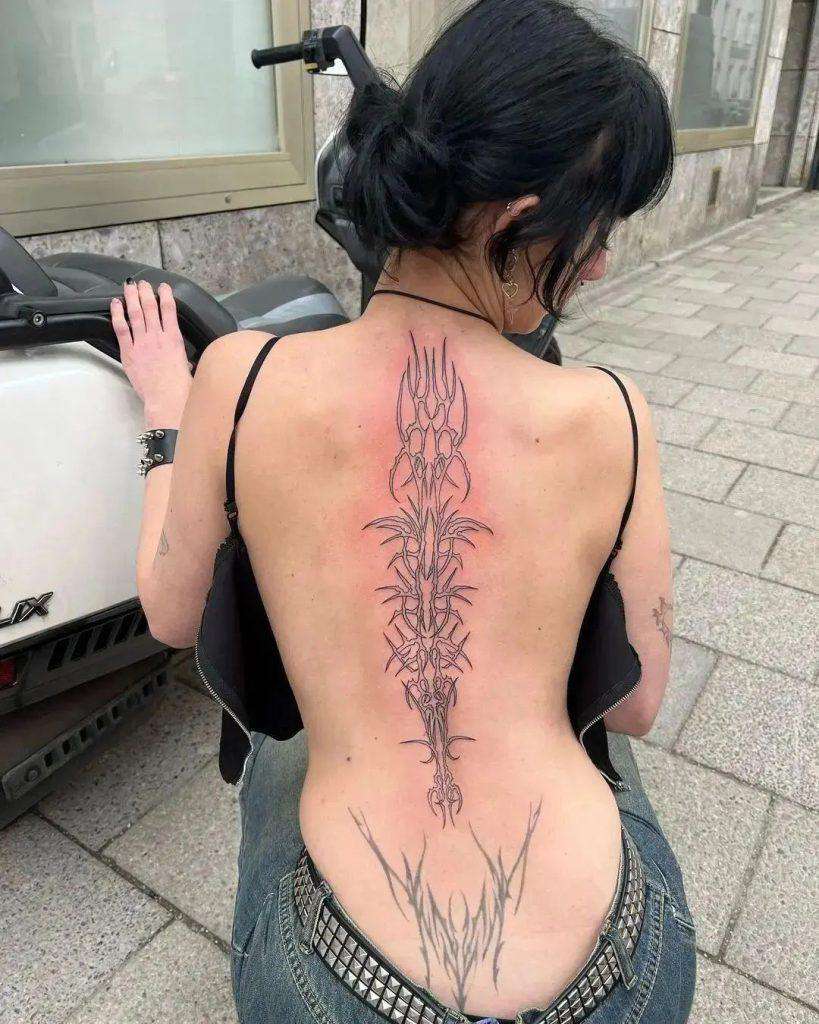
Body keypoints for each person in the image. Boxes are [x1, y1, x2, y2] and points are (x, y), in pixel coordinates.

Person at [111, 1, 696, 1021]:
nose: (600, 262)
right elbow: (634, 703)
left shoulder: (241, 379)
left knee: (284, 752)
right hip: (619, 979)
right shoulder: (614, 413)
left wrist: (169, 412)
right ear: (515, 222)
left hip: (342, 985)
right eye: (597, 228)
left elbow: (170, 611)